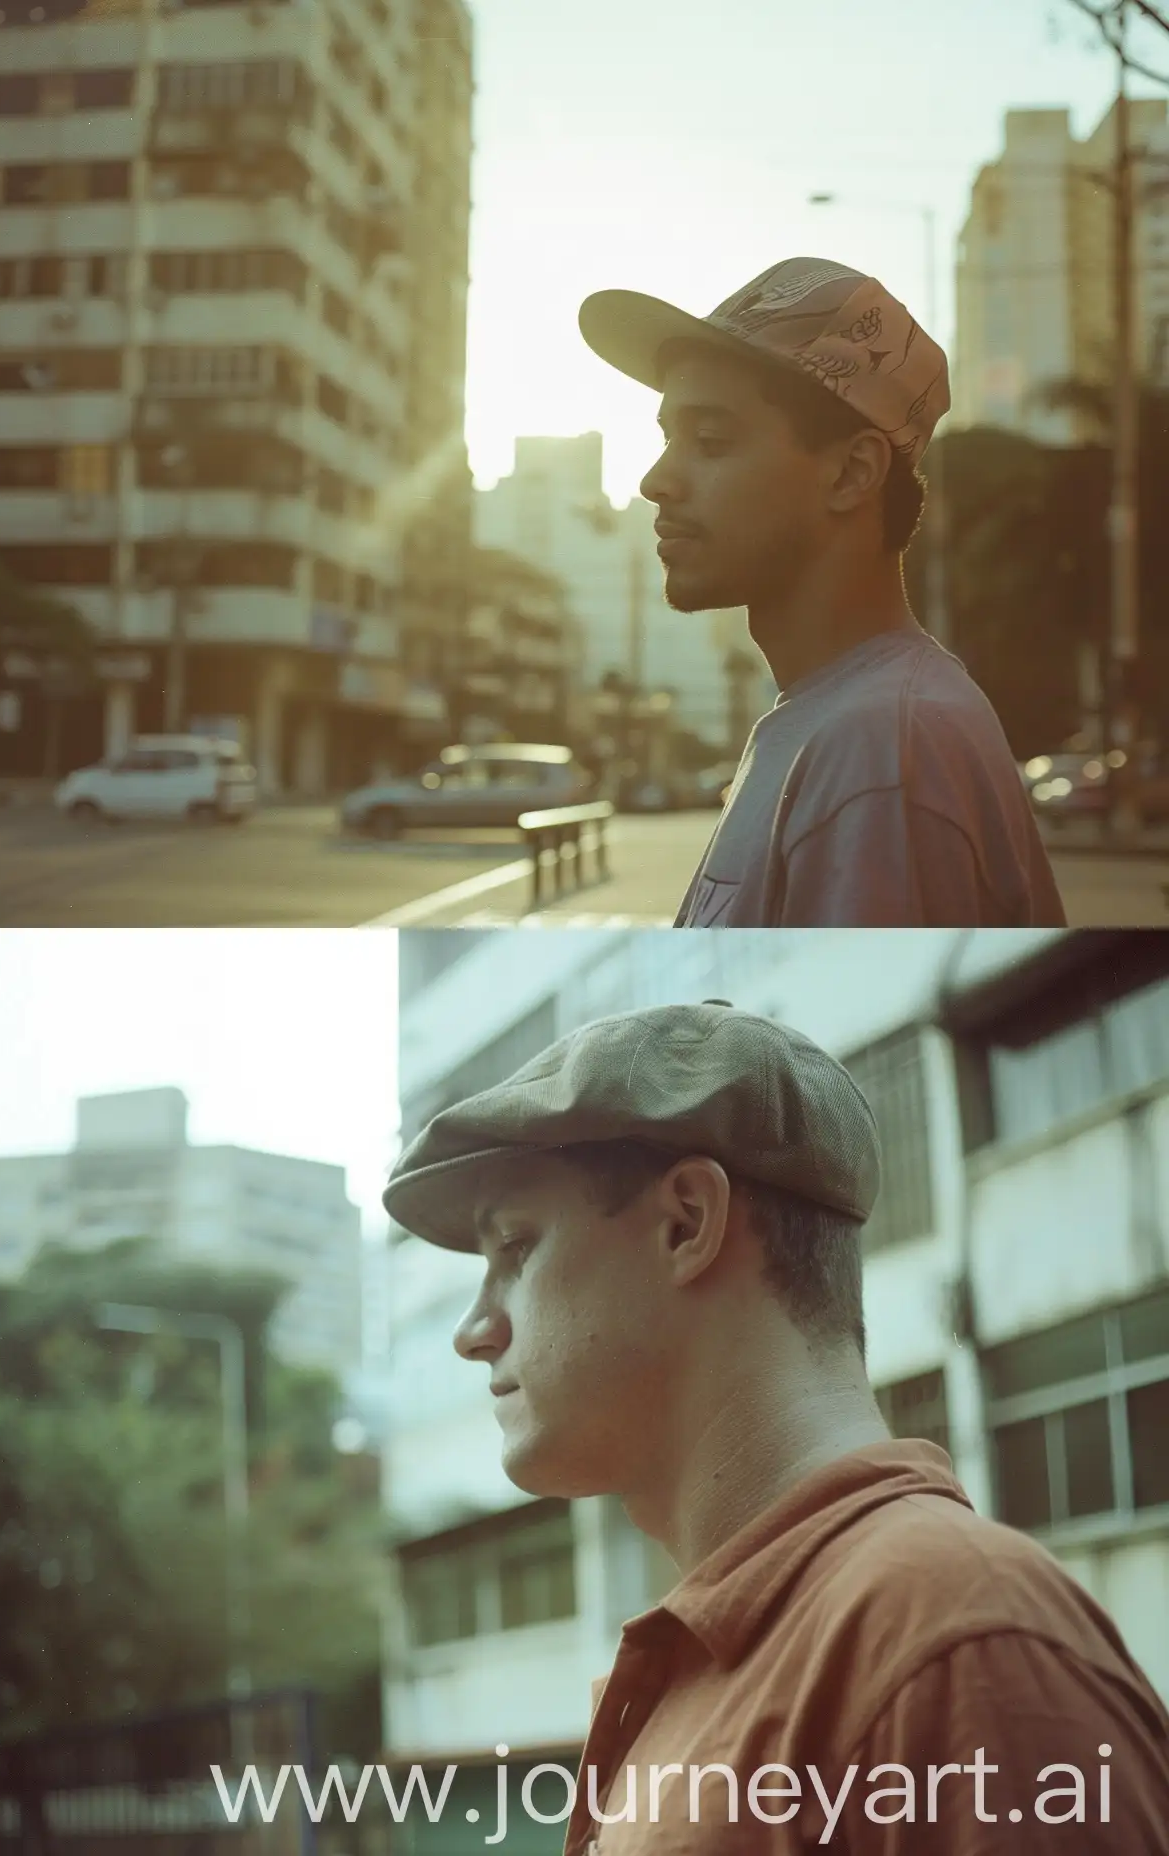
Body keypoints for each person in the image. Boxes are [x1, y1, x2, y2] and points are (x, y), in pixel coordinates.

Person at [384, 1000, 1169, 1854]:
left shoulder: (950, 1638)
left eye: (516, 1249)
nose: (474, 1331)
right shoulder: (733, 1654)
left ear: (686, 1222)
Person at [578, 258, 1064, 928]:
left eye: (711, 441)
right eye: (669, 439)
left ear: (851, 474)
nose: (656, 481)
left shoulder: (885, 747)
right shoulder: (830, 720)